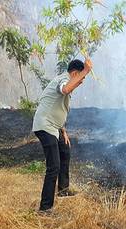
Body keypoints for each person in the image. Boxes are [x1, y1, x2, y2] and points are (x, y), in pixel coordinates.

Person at [32, 58, 92, 212]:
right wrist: (86, 70)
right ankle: (45, 208)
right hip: (45, 126)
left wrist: (62, 129)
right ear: (74, 73)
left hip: (54, 127)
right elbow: (64, 89)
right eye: (81, 77)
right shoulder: (64, 80)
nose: (82, 81)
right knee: (54, 166)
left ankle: (63, 191)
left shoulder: (67, 80)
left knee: (65, 150)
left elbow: (57, 108)